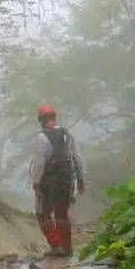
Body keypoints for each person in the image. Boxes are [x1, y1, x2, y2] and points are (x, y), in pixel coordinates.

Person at [29, 104, 85, 257]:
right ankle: (67, 249)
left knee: (43, 214)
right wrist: (80, 179)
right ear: (54, 117)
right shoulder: (67, 134)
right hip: (67, 181)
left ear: (41, 120)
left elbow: (39, 162)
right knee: (62, 215)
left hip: (47, 182)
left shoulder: (41, 137)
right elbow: (76, 157)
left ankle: (56, 245)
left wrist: (36, 181)